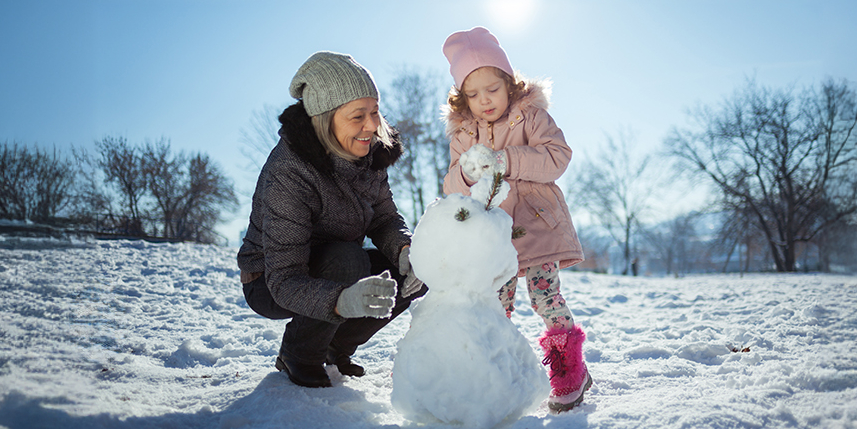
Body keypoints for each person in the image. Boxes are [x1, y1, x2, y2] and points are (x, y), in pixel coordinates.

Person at [237, 51, 427, 389]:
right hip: (269, 279)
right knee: (346, 259)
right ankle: (300, 354)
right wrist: (342, 301)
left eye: (374, 112)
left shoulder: (369, 153)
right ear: (325, 120)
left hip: (335, 264)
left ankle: (334, 348)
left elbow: (384, 219)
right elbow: (284, 280)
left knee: (423, 263)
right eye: (358, 116)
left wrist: (405, 250)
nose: (371, 126)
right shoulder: (289, 171)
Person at [441, 27, 590, 412]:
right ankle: (497, 371)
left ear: (509, 83)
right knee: (496, 304)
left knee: (544, 295)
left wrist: (507, 161)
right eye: (472, 94)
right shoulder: (464, 133)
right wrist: (470, 173)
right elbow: (451, 182)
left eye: (491, 88)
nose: (484, 100)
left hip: (537, 223)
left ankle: (568, 366)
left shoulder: (531, 116)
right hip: (494, 235)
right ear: (462, 98)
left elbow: (557, 156)